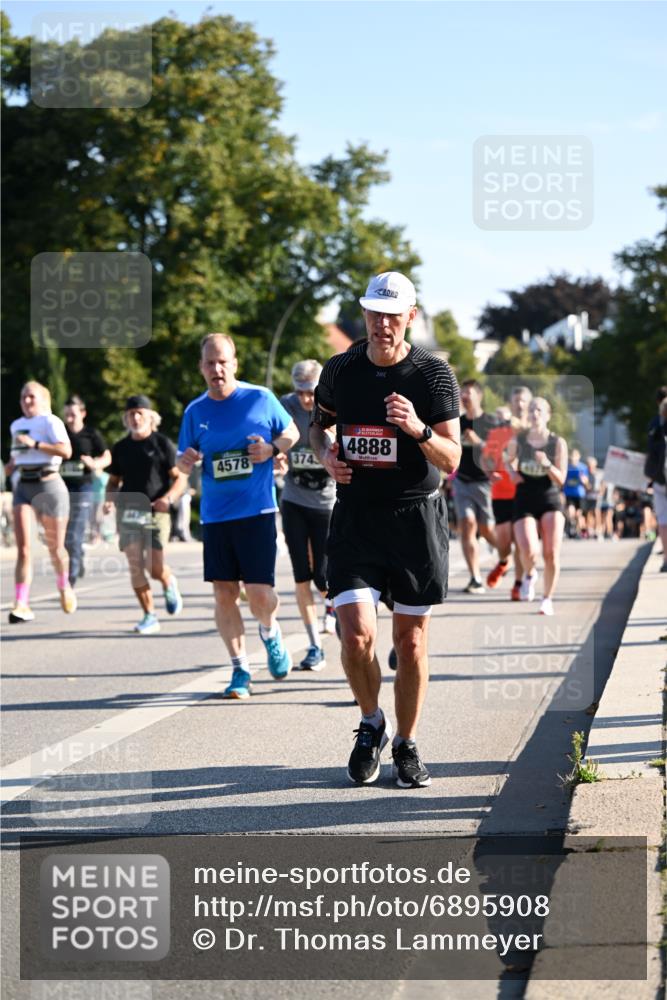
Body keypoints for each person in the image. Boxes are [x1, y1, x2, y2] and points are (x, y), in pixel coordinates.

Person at [310, 271, 461, 788]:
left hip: (414, 518)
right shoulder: (341, 369)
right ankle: (371, 722)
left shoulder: (434, 375)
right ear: (365, 315)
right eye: (375, 313)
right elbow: (318, 426)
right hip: (356, 516)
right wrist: (326, 455)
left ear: (410, 318)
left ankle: (406, 742)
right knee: (354, 635)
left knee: (411, 641)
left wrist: (416, 429)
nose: (383, 324)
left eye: (393, 315)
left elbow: (453, 457)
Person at [177, 333, 300, 698]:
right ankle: (240, 670)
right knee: (224, 594)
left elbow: (292, 431)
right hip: (215, 517)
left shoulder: (260, 398)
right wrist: (184, 462)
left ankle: (270, 630)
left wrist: (273, 448)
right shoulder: (195, 411)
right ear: (201, 368)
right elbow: (185, 457)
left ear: (234, 363)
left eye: (223, 362)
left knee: (260, 595)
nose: (217, 369)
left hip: (257, 511)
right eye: (210, 363)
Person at [105, 395, 185, 634]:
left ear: (151, 417)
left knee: (154, 567)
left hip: (155, 511)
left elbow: (180, 478)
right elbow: (113, 482)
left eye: (140, 412)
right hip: (129, 512)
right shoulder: (120, 448)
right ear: (126, 418)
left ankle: (168, 581)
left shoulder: (161, 444)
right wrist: (109, 500)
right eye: (131, 414)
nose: (136, 417)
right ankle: (149, 615)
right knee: (135, 565)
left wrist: (168, 499)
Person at [280, 359, 337, 670]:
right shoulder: (284, 406)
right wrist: (275, 454)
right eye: (300, 392)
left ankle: (332, 606)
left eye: (310, 393)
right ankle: (315, 646)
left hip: (327, 502)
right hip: (294, 499)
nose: (305, 400)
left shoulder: (334, 405)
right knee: (302, 574)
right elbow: (269, 436)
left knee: (323, 577)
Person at [5, 381, 76, 622]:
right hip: (23, 486)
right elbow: (16, 456)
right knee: (24, 549)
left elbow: (66, 452)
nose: (26, 401)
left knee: (55, 548)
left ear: (43, 399)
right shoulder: (16, 425)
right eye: (23, 397)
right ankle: (21, 604)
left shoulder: (50, 421)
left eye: (31, 397)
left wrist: (35, 444)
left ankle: (64, 586)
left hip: (49, 485)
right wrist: (10, 466)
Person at [507, 397, 567, 615]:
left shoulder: (557, 442)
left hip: (549, 498)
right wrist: (512, 473)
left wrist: (547, 464)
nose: (535, 414)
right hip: (525, 497)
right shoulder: (519, 440)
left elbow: (561, 480)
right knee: (529, 550)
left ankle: (547, 598)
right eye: (532, 410)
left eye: (539, 410)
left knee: (550, 552)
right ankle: (530, 574)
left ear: (548, 415)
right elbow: (507, 459)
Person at [482, 386, 531, 599]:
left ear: (528, 404)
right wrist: (490, 472)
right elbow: (486, 459)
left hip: (525, 492)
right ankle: (503, 562)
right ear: (510, 405)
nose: (519, 405)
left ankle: (519, 584)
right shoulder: (498, 432)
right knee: (503, 541)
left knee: (521, 540)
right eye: (516, 401)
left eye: (523, 401)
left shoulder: (534, 432)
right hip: (501, 491)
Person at [453, 379, 498, 593]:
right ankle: (475, 577)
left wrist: (479, 441)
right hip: (462, 481)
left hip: (485, 482)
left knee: (486, 529)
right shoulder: (457, 423)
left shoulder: (490, 422)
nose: (465, 396)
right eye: (462, 393)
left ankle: (504, 554)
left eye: (469, 392)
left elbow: (499, 454)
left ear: (479, 395)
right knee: (468, 525)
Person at [62, 395, 111, 586]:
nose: (70, 418)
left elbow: (107, 457)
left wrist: (95, 463)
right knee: (67, 534)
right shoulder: (60, 434)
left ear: (83, 413)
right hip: (62, 489)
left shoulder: (91, 434)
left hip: (84, 488)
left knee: (74, 533)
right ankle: (80, 555)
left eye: (73, 414)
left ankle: (70, 579)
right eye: (67, 415)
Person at [645, 395, 667, 570]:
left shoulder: (655, 426)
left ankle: (666, 559)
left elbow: (650, 452)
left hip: (660, 478)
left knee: (663, 520)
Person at [563, 448, 589, 538]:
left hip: (580, 494)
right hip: (569, 493)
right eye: (572, 456)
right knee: (570, 511)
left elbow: (586, 482)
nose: (573, 458)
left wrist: (584, 480)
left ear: (579, 457)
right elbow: (562, 480)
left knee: (579, 514)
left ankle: (580, 531)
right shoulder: (567, 468)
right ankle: (572, 525)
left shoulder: (583, 467)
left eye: (575, 456)